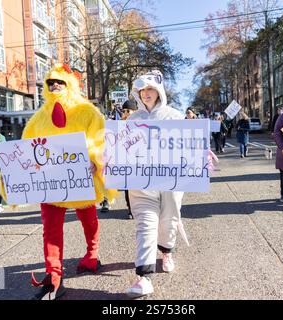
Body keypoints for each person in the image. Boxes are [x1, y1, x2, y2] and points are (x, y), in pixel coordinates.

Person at [20, 64, 117, 299]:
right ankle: (54, 276)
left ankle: (91, 255)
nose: (55, 86)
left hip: (81, 178)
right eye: (50, 82)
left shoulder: (87, 111)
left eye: (60, 82)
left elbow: (99, 137)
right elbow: (26, 145)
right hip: (51, 183)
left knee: (89, 220)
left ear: (69, 84)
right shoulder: (38, 117)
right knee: (51, 230)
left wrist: (95, 159)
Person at [124, 70, 190, 297]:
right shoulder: (132, 120)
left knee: (169, 219)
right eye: (142, 90)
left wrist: (202, 154)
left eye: (150, 89)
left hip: (171, 181)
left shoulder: (175, 116)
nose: (146, 94)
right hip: (141, 182)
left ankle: (167, 251)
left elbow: (190, 145)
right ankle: (143, 277)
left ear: (159, 91)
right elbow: (122, 148)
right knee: (146, 223)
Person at [121, 99, 137, 220]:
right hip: (125, 160)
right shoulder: (119, 125)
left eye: (128, 111)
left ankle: (138, 207)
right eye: (124, 111)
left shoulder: (141, 123)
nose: (126, 113)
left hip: (139, 160)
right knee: (127, 187)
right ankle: (130, 208)